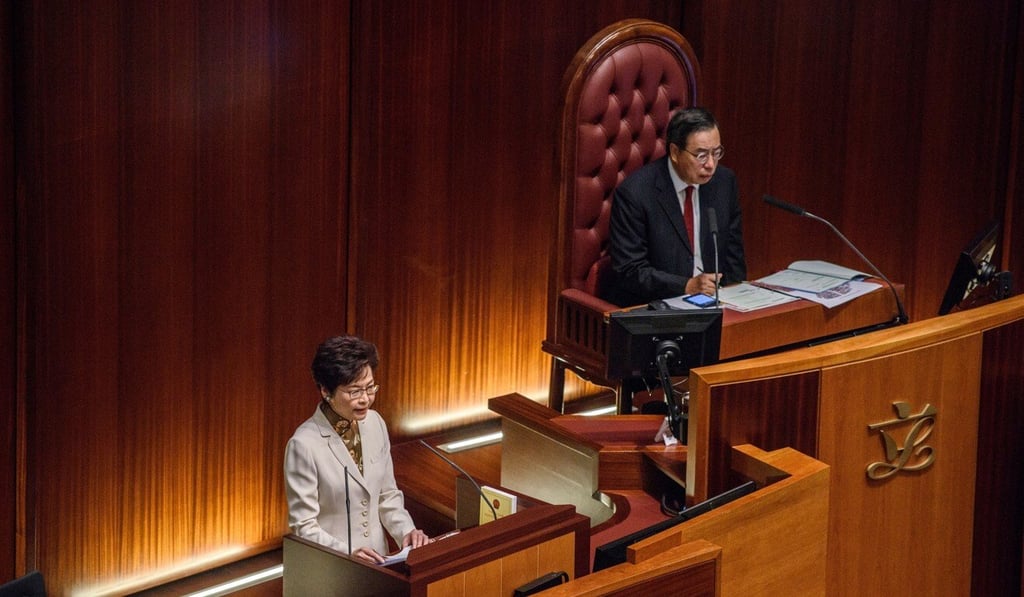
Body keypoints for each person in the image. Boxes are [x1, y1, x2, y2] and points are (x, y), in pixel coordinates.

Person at [284, 335, 429, 563]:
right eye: (354, 391)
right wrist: (346, 553)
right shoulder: (304, 445)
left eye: (370, 388)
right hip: (333, 566)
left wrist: (407, 532)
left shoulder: (375, 423)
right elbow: (304, 526)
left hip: (379, 561)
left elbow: (387, 495)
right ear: (325, 391)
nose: (365, 399)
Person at [602, 107, 747, 307]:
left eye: (716, 152)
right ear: (675, 152)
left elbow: (734, 258)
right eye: (701, 155)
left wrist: (737, 304)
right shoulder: (636, 193)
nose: (711, 164)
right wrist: (686, 285)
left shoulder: (724, 183)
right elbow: (630, 271)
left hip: (717, 305)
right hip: (657, 307)